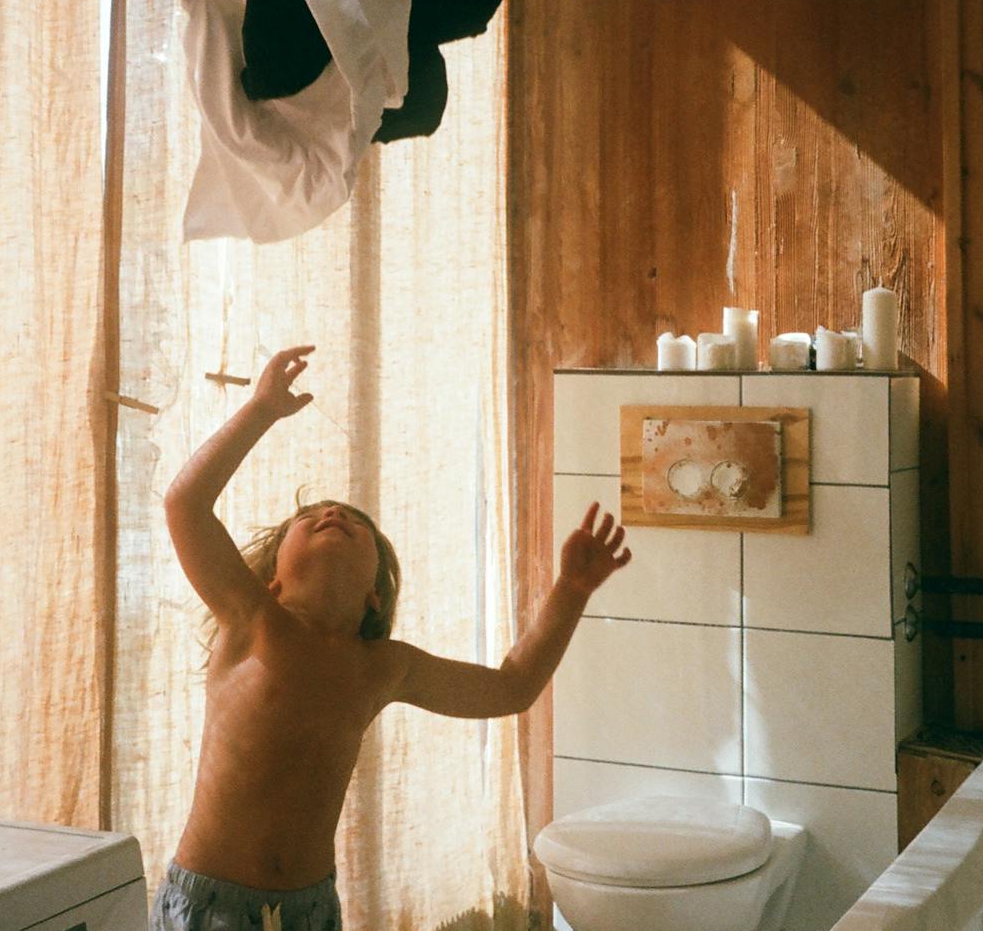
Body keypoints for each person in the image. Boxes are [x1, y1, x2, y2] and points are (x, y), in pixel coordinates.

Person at [153, 345, 631, 931]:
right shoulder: (251, 619)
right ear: (273, 579)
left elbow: (512, 687)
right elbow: (185, 503)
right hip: (211, 904)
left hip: (309, 910)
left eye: (356, 524)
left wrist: (572, 590)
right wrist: (261, 410)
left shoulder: (382, 667)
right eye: (311, 519)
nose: (334, 516)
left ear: (374, 595)